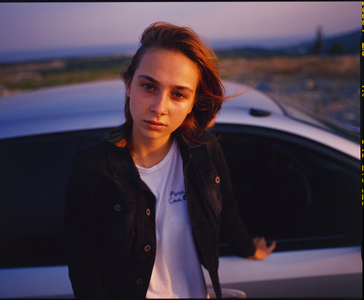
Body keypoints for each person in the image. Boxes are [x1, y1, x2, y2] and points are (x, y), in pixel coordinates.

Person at [65, 22, 276, 299]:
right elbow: (85, 274)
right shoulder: (93, 168)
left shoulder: (205, 150)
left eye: (178, 94)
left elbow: (226, 214)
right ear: (129, 85)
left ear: (192, 102)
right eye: (148, 86)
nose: (159, 108)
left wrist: (249, 248)